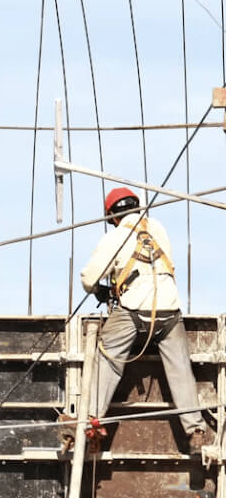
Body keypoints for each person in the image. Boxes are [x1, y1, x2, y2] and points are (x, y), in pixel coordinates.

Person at [78, 187, 212, 453]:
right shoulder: (158, 228)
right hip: (169, 310)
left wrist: (101, 291)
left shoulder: (116, 235)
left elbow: (89, 278)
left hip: (134, 310)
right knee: (180, 368)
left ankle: (93, 418)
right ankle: (195, 429)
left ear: (113, 216)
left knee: (108, 355)